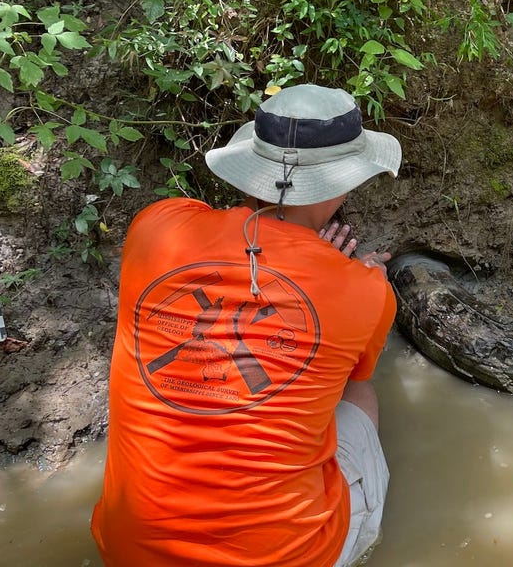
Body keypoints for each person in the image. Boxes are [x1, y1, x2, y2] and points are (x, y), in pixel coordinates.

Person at [91, 84, 401, 565]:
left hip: (130, 550)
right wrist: (341, 274)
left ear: (249, 165)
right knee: (358, 392)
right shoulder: (366, 291)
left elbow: (242, 251)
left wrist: (309, 260)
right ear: (346, 182)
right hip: (286, 557)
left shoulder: (157, 225)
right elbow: (346, 377)